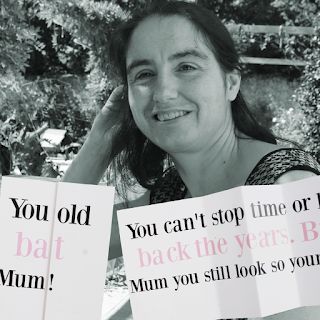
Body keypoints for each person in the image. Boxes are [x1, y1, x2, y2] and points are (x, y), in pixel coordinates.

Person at [63, 1, 320, 319]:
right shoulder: (167, 197)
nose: (164, 92)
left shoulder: (286, 195)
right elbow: (51, 248)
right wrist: (99, 144)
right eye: (144, 74)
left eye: (186, 66)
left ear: (231, 83)